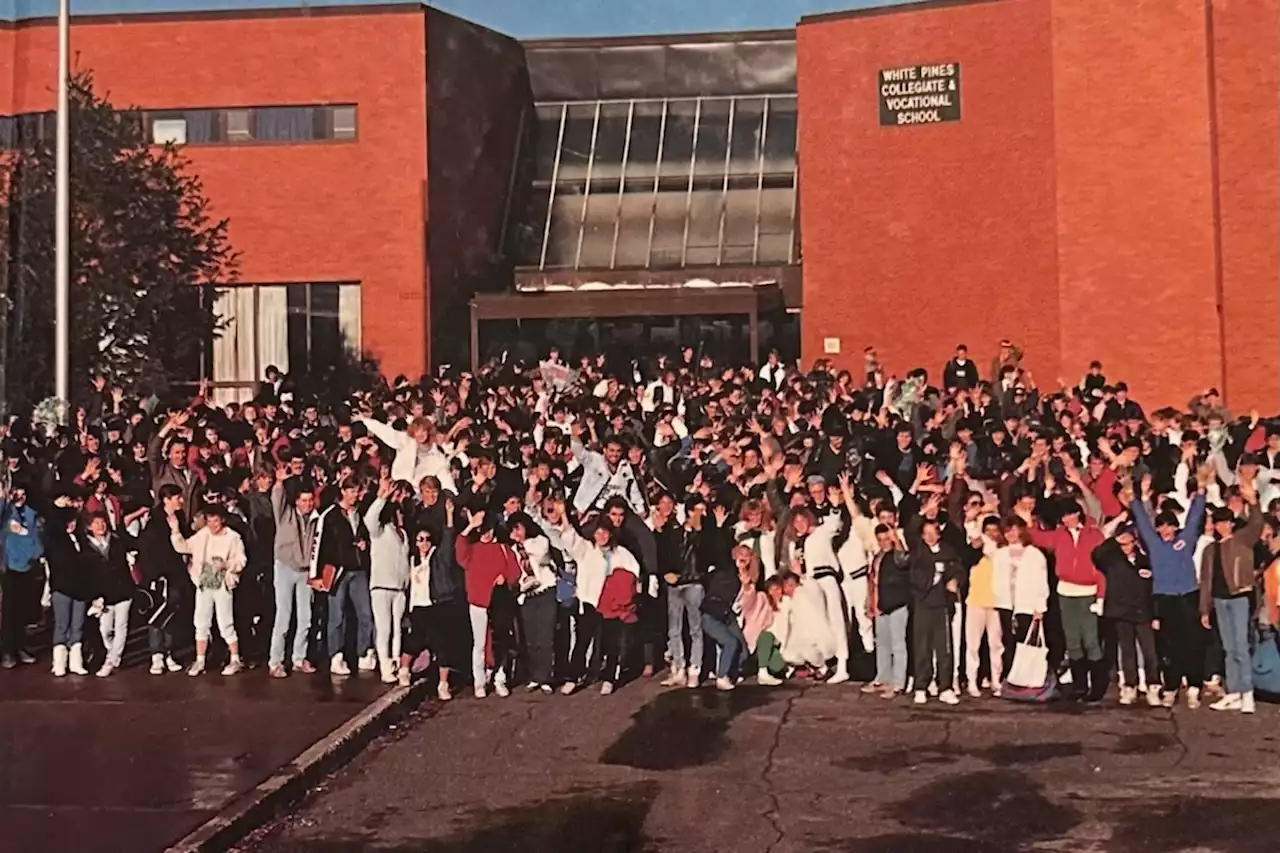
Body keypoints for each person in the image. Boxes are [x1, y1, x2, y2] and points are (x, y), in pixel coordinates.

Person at [1130, 469, 1208, 709]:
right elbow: (1142, 523)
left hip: (1188, 596)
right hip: (1164, 599)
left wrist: (1201, 492)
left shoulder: (1185, 541)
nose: (1165, 531)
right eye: (1161, 527)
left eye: (1169, 526)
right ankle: (1171, 686)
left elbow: (1195, 518)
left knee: (1192, 643)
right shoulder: (1153, 544)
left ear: (1175, 527)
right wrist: (1138, 498)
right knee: (1168, 645)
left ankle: (1194, 687)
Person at [1197, 479, 1262, 713]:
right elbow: (1206, 581)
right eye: (1218, 523)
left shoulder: (1242, 540)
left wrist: (1253, 501)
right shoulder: (1209, 549)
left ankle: (1247, 693)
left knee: (1241, 647)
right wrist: (1204, 609)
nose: (1221, 526)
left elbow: (1256, 524)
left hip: (1239, 597)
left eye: (1225, 522)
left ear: (1231, 524)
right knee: (1228, 647)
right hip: (1219, 600)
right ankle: (1234, 691)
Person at [403, 499, 468, 699]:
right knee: (414, 642)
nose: (423, 543)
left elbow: (448, 540)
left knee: (441, 645)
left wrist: (449, 515)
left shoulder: (437, 556)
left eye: (427, 539)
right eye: (420, 539)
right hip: (417, 608)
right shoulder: (411, 560)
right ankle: (404, 671)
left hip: (435, 605)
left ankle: (443, 684)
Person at [454, 509, 521, 698]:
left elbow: (515, 572)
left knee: (501, 641)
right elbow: (459, 549)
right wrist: (470, 526)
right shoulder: (472, 549)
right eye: (482, 529)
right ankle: (479, 681)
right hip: (478, 602)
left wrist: (505, 578)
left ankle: (500, 678)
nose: (486, 533)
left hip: (499, 602)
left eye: (488, 528)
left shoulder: (503, 549)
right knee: (480, 644)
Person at [314, 477, 375, 677]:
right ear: (343, 491)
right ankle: (336, 655)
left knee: (365, 613)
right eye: (351, 491)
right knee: (336, 616)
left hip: (358, 570)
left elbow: (365, 536)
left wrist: (364, 546)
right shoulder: (329, 516)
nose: (354, 496)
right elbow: (318, 545)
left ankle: (364, 652)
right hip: (338, 571)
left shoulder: (360, 514)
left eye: (357, 492)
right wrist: (316, 575)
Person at [1093, 526, 1161, 707]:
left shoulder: (1145, 560)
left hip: (1143, 612)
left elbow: (1152, 589)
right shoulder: (1111, 561)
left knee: (1150, 652)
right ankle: (1130, 685)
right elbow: (1096, 555)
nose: (1126, 547)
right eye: (1122, 543)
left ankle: (1153, 686)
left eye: (1128, 542)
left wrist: (1155, 614)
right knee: (1127, 651)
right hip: (1121, 613)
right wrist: (1113, 540)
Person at [181, 505, 247, 676]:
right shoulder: (203, 534)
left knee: (225, 622)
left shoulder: (233, 537)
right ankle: (200, 660)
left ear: (222, 520)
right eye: (209, 521)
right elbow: (184, 547)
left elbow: (241, 560)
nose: (212, 525)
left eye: (216, 521)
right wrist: (174, 530)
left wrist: (227, 565)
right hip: (204, 584)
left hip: (222, 585)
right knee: (201, 622)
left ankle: (235, 659)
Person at [268, 465, 318, 678]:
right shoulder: (285, 514)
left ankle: (299, 657)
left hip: (306, 571)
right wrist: (279, 481)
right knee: (284, 616)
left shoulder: (317, 519)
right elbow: (277, 498)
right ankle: (275, 661)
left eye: (310, 500)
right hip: (285, 567)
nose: (307, 504)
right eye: (303, 500)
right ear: (297, 501)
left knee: (306, 617)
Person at [137, 484, 191, 675]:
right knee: (158, 613)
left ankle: (169, 652)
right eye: (178, 497)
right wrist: (153, 574)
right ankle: (156, 654)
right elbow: (148, 548)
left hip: (176, 574)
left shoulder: (180, 518)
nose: (181, 501)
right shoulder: (155, 520)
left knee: (172, 614)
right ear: (167, 499)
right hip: (159, 576)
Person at [909, 519, 964, 704]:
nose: (930, 537)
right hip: (923, 604)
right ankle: (921, 686)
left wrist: (955, 579)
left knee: (944, 648)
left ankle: (945, 687)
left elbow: (959, 570)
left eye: (934, 533)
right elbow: (915, 576)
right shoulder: (918, 553)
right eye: (927, 533)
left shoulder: (948, 552)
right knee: (922, 647)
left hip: (942, 605)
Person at [365, 472, 412, 684]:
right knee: (383, 628)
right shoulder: (380, 531)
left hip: (400, 588)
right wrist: (382, 496)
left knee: (397, 628)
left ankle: (395, 661)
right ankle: (384, 665)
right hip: (381, 585)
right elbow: (370, 519)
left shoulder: (404, 534)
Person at [81, 511, 136, 677]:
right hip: (103, 595)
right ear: (89, 527)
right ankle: (113, 651)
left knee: (121, 627)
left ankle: (111, 661)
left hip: (123, 590)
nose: (101, 526)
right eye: (96, 523)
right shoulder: (85, 546)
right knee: (106, 629)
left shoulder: (117, 540)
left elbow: (134, 547)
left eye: (103, 522)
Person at [44, 501, 93, 677]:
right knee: (62, 625)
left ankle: (76, 661)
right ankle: (59, 662)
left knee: (77, 625)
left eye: (74, 521)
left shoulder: (81, 539)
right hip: (63, 587)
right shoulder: (55, 541)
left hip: (81, 588)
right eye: (69, 521)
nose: (72, 524)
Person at [1, 484, 44, 668]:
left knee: (24, 612)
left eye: (23, 493)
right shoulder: (5, 515)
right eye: (17, 492)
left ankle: (21, 647)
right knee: (9, 613)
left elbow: (38, 546)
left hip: (27, 569)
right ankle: (8, 651)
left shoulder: (32, 515)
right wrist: (4, 499)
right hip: (9, 570)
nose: (20, 496)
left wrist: (24, 535)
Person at [962, 515, 1005, 698]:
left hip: (996, 603)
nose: (991, 534)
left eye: (995, 531)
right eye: (988, 531)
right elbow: (970, 550)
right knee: (973, 645)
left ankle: (996, 680)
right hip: (975, 602)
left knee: (996, 645)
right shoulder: (974, 552)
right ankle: (972, 681)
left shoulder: (1003, 553)